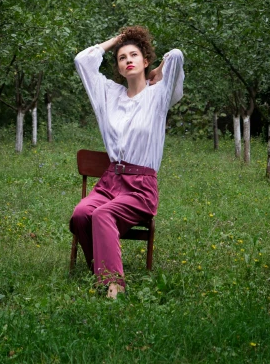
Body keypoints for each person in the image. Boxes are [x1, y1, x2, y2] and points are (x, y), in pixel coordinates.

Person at [70, 25, 184, 298]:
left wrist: (158, 71)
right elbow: (82, 61)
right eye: (122, 57)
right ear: (119, 68)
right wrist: (117, 40)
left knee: (102, 214)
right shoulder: (108, 95)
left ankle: (113, 286)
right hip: (110, 181)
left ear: (145, 61)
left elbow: (177, 56)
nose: (128, 60)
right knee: (80, 215)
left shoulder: (159, 95)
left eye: (134, 55)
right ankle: (100, 266)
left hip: (140, 187)